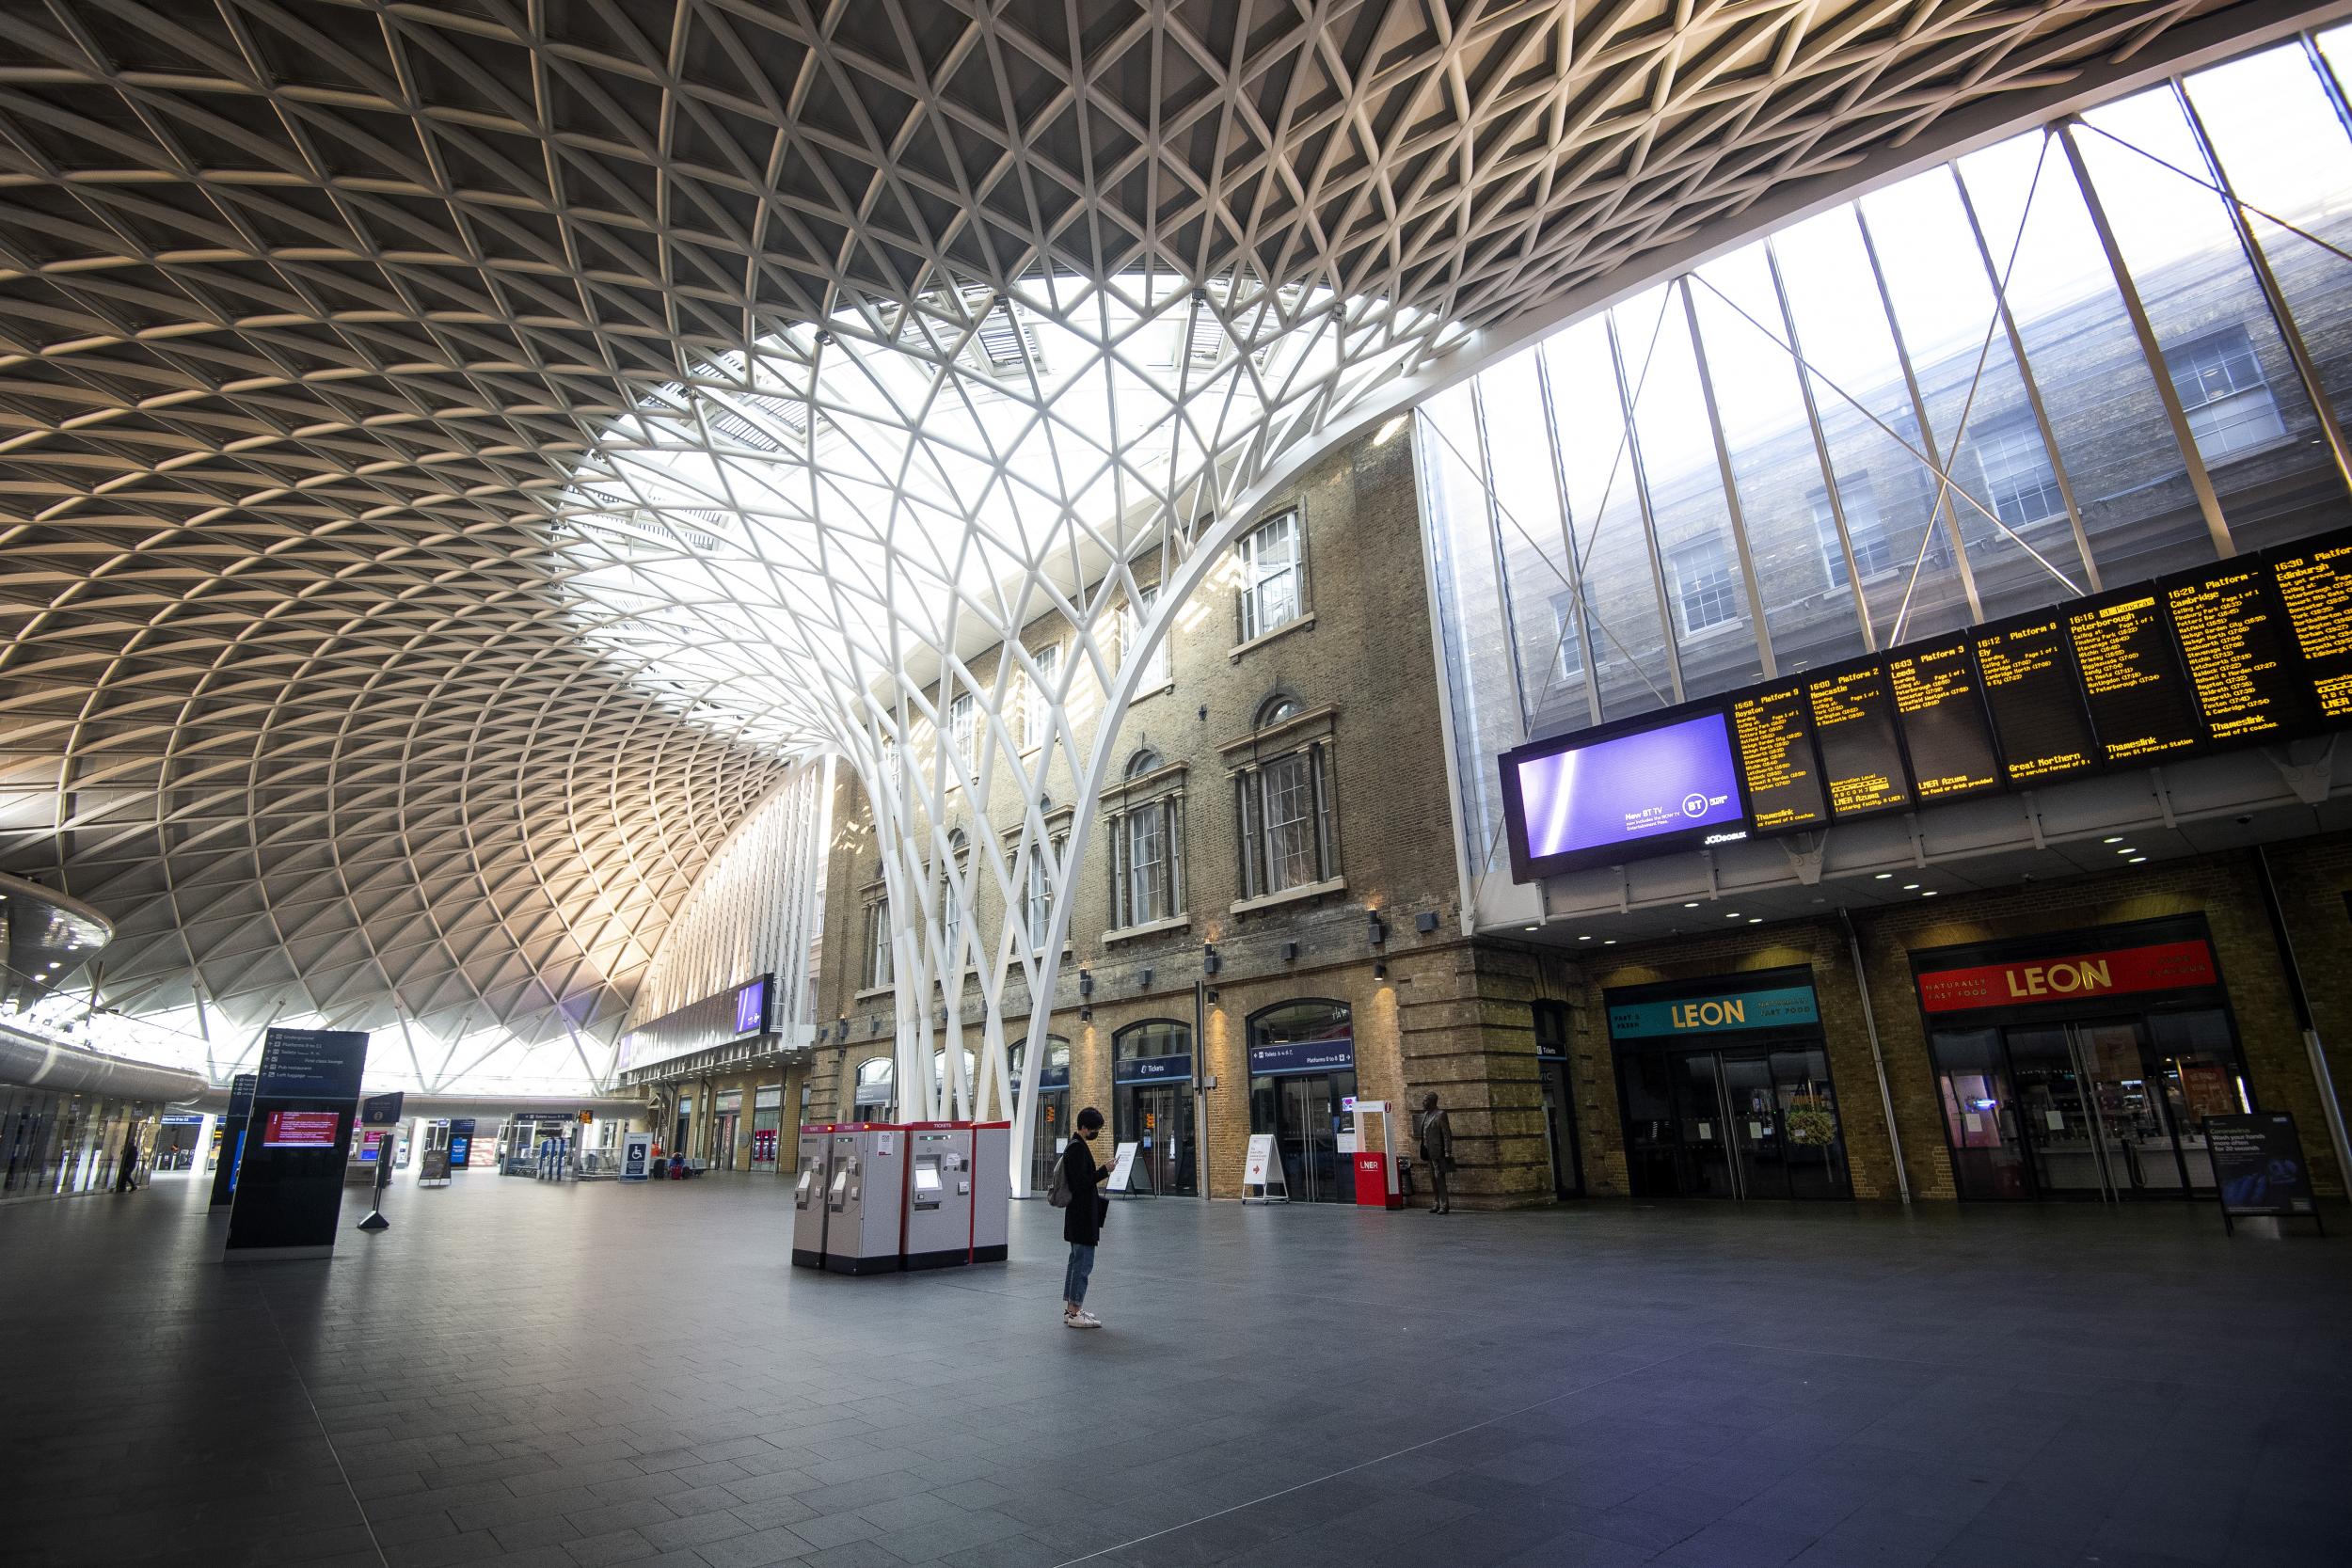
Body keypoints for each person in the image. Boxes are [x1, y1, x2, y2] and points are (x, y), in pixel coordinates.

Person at [1059, 1106, 1111, 1328]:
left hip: (1077, 1216)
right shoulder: (1077, 1149)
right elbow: (1081, 1183)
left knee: (1076, 1262)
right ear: (1084, 1127)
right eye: (1094, 1129)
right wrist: (1104, 1170)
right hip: (1081, 1216)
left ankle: (1072, 1309)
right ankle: (1075, 1311)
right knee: (1083, 1264)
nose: (1095, 1133)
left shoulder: (1075, 1146)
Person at [1417, 1091, 1453, 1214]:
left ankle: (1444, 1205)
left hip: (1438, 1152)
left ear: (1432, 1102)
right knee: (1432, 1178)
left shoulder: (1440, 1114)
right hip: (1428, 1152)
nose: (1423, 1102)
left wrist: (1447, 1151)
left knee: (1440, 1179)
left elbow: (1446, 1134)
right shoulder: (1425, 1114)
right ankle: (1436, 1203)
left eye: (1425, 1100)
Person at [114, 1125, 141, 1194]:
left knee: (126, 1175)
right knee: (125, 1176)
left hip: (129, 1165)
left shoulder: (132, 1150)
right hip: (129, 1165)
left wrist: (127, 1166)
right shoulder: (131, 1149)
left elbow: (130, 1159)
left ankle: (132, 1186)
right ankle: (123, 1187)